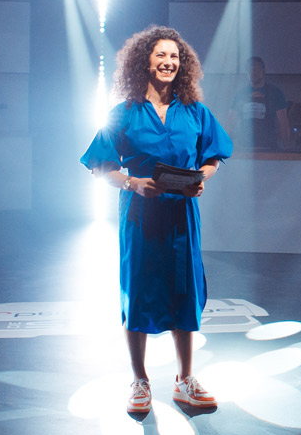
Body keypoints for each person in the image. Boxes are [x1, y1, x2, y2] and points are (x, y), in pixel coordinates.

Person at [81, 25, 233, 414]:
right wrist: (132, 183)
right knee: (138, 291)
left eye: (175, 57)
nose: (169, 62)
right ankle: (140, 381)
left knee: (185, 291)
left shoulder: (195, 111)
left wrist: (201, 178)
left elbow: (214, 157)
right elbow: (100, 166)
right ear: (143, 61)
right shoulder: (124, 113)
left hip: (183, 214)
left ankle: (185, 379)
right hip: (140, 214)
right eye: (161, 55)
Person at [228, 55, 293, 151]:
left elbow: (283, 122)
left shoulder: (275, 93)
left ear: (263, 70)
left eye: (256, 69)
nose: (253, 72)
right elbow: (230, 122)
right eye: (250, 70)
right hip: (244, 148)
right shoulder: (240, 94)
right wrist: (220, 145)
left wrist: (287, 146)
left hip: (268, 148)